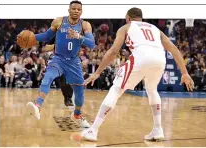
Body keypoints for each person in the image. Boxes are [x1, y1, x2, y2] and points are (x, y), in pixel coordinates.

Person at [81, 7, 194, 141]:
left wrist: (97, 72)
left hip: (141, 57)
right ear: (141, 17)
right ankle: (158, 129)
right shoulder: (155, 29)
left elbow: (112, 51)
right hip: (160, 59)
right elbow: (174, 49)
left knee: (117, 88)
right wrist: (184, 72)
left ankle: (93, 130)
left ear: (128, 17)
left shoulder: (126, 27)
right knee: (152, 90)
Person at [21, 0, 95, 128]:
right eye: (74, 9)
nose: (76, 11)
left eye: (79, 9)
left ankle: (77, 114)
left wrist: (78, 36)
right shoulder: (59, 21)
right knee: (48, 77)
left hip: (74, 62)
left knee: (79, 94)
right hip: (58, 59)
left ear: (81, 11)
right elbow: (46, 36)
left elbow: (92, 44)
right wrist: (33, 37)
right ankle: (38, 105)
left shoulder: (85, 25)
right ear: (69, 10)